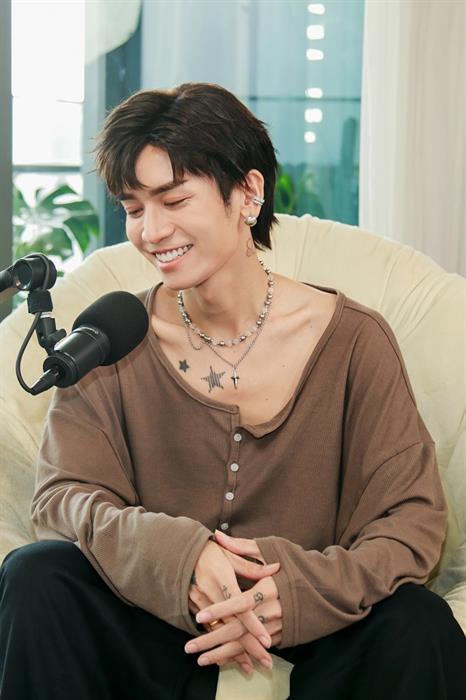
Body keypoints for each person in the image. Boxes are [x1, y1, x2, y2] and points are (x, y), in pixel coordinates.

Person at [0, 82, 465, 700]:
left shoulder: (354, 340)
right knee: (37, 576)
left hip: (323, 632)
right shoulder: (111, 337)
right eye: (134, 208)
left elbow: (411, 519)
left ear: (248, 192)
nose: (151, 230)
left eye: (174, 199)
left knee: (417, 623)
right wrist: (182, 558)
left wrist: (292, 594)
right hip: (150, 619)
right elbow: (64, 495)